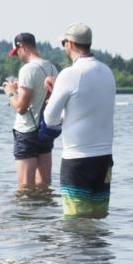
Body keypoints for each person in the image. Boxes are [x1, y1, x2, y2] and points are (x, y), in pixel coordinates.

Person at [43, 23, 116, 218]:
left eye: (63, 42)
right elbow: (87, 107)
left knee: (76, 223)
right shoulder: (107, 72)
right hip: (104, 159)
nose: (64, 46)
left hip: (78, 160)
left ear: (71, 44)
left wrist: (53, 93)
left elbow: (50, 119)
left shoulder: (69, 74)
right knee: (97, 220)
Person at [3, 32, 60, 190]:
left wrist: (9, 92)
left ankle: (25, 215)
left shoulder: (27, 70)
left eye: (17, 52)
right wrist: (18, 91)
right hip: (45, 130)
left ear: (22, 47)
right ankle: (45, 214)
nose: (18, 56)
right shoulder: (52, 68)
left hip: (27, 133)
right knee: (44, 186)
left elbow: (21, 108)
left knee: (24, 188)